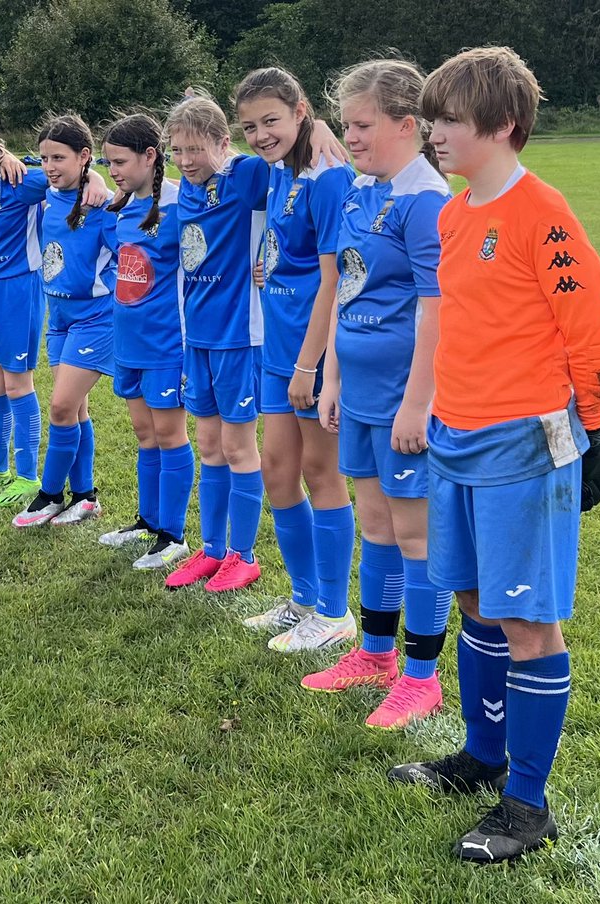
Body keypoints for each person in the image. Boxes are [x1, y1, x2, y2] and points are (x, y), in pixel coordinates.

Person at [387, 46, 600, 863]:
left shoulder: (544, 214)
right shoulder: (455, 215)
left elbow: (590, 339)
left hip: (525, 445)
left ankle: (526, 804)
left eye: (449, 119)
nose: (435, 133)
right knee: (474, 601)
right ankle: (481, 756)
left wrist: (587, 432)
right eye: (432, 119)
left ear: (501, 125)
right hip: (455, 440)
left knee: (529, 620)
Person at [301, 59, 454, 731]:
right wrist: (331, 377)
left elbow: (438, 311)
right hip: (356, 392)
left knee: (414, 533)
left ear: (406, 124)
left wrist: (418, 402)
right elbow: (345, 294)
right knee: (375, 526)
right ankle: (374, 653)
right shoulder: (362, 192)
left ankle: (422, 676)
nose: (351, 136)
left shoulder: (427, 202)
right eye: (346, 124)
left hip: (401, 400)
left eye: (363, 125)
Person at [231, 67, 358, 653]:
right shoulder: (280, 174)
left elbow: (334, 282)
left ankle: (335, 612)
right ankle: (303, 599)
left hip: (315, 356)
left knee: (321, 474)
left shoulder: (329, 180)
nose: (260, 134)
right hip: (277, 350)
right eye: (250, 125)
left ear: (301, 110)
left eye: (271, 120)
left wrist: (311, 366)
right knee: (280, 475)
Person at [0, 117, 107, 507]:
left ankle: (28, 475)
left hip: (17, 290)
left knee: (17, 384)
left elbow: (73, 176)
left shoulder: (22, 182)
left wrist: (96, 179)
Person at [161, 94, 270, 594]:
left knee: (237, 445)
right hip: (196, 336)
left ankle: (243, 556)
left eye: (195, 150)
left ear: (224, 143)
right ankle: (211, 550)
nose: (186, 161)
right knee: (208, 443)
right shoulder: (183, 188)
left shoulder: (245, 176)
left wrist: (273, 254)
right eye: (177, 151)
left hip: (238, 336)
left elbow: (300, 178)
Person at [96, 113, 194, 569]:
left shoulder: (179, 205)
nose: (112, 170)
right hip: (128, 339)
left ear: (151, 157)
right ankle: (148, 521)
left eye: (119, 161)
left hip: (166, 343)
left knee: (170, 434)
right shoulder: (122, 207)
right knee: (144, 434)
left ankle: (173, 534)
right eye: (107, 162)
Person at [13, 114, 115, 527]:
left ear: (84, 156)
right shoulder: (43, 193)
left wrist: (98, 184)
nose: (50, 166)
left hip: (96, 318)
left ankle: (50, 493)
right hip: (59, 317)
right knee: (76, 410)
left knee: (60, 406)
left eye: (59, 157)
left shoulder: (103, 206)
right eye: (44, 157)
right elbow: (5, 165)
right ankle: (85, 496)